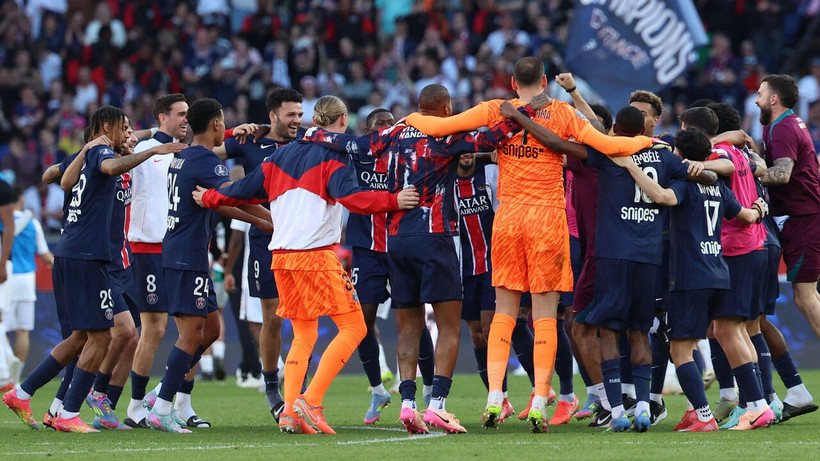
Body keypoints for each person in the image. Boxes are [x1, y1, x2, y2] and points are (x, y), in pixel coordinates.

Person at [404, 58, 653, 433]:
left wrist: (406, 121)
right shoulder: (564, 114)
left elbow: (440, 126)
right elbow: (608, 144)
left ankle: (493, 398)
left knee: (504, 310)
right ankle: (539, 398)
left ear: (512, 81)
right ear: (545, 80)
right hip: (548, 219)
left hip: (508, 219)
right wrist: (653, 141)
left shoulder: (494, 109)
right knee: (544, 314)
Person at [304, 85, 541, 435]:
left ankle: (407, 404)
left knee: (408, 326)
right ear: (445, 108)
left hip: (396, 240)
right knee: (447, 325)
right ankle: (438, 406)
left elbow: (351, 144)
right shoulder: (446, 134)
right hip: (436, 238)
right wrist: (528, 112)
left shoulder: (392, 131)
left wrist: (312, 132)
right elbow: (492, 139)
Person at [193, 95, 420, 435]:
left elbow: (242, 189)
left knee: (304, 333)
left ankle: (288, 412)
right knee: (355, 328)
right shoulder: (333, 156)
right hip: (314, 254)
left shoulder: (281, 155)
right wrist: (394, 200)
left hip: (281, 258)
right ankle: (309, 401)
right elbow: (353, 199)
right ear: (342, 122)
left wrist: (209, 197)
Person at [499, 105, 717, 432]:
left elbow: (557, 145)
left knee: (609, 332)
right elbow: (707, 175)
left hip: (613, 254)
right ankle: (643, 406)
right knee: (640, 331)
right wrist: (710, 169)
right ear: (644, 129)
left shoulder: (606, 152)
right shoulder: (664, 157)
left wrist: (520, 119)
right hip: (650, 257)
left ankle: (616, 411)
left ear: (615, 128)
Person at [4, 106, 173, 432]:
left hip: (92, 257)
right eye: (126, 130)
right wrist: (148, 146)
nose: (130, 136)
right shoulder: (102, 156)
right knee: (102, 335)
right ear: (108, 129)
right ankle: (73, 408)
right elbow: (102, 167)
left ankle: (31, 396)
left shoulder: (92, 155)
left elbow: (55, 176)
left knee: (90, 337)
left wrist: (147, 136)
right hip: (90, 257)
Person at [612, 128, 767, 432]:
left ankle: (704, 416)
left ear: (679, 156)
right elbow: (746, 217)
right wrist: (760, 208)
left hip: (689, 277)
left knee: (679, 350)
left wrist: (630, 166)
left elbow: (661, 196)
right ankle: (758, 403)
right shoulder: (719, 187)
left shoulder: (684, 185)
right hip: (719, 273)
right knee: (724, 336)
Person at [145, 98, 269, 433]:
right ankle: (162, 407)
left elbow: (223, 204)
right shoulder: (205, 161)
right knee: (189, 336)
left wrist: (261, 222)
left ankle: (163, 394)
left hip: (187, 254)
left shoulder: (185, 155)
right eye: (223, 122)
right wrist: (269, 219)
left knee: (211, 330)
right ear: (216, 124)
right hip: (186, 257)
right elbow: (233, 195)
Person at [216, 88, 304, 421]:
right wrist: (229, 132)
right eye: (290, 114)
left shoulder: (308, 142)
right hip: (264, 240)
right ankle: (271, 386)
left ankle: (299, 385)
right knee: (272, 316)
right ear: (272, 116)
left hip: (301, 239)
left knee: (301, 317)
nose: (297, 120)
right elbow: (202, 153)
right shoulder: (247, 142)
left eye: (300, 113)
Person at [755, 74, 820, 420]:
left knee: (806, 299)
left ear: (775, 99)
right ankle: (794, 391)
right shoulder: (785, 124)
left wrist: (745, 167)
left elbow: (781, 175)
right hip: (798, 217)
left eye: (761, 94)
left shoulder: (781, 129)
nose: (756, 99)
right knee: (806, 298)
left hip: (802, 219)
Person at [7, 186, 54, 384]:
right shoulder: (33, 223)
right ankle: (15, 378)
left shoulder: (4, 222)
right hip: (27, 280)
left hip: (6, 279)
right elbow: (45, 256)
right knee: (23, 331)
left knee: (2, 329)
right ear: (22, 201)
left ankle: (7, 364)